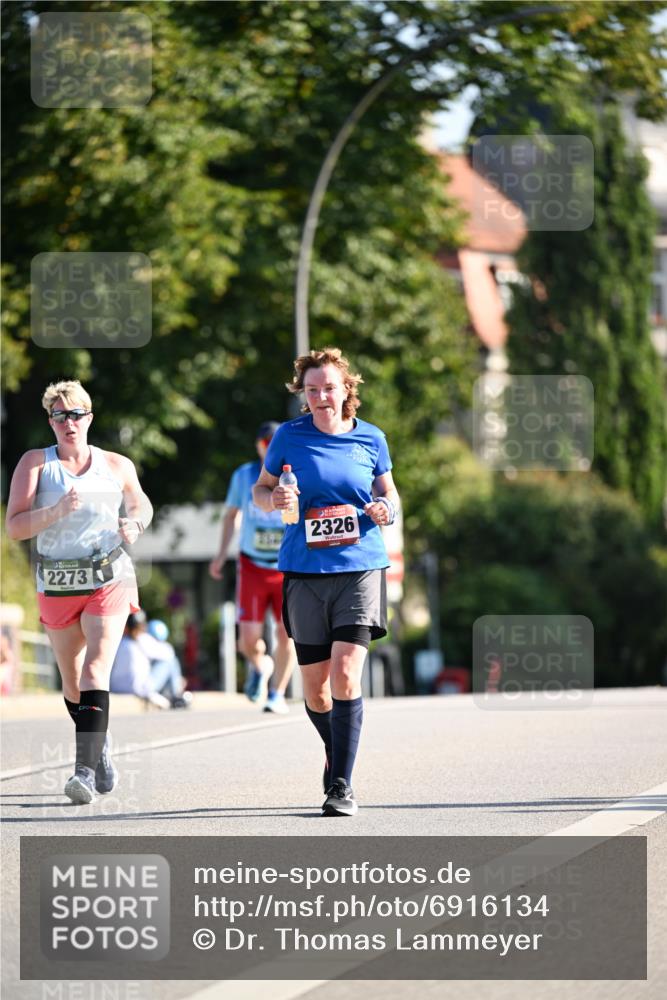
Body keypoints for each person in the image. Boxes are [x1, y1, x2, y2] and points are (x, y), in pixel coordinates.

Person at [253, 348, 399, 816]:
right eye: (312, 389)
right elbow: (260, 491)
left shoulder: (371, 438)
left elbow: (388, 495)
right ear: (303, 393)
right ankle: (338, 749)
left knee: (345, 673)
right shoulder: (288, 439)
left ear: (346, 390)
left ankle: (341, 784)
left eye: (329, 388)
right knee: (315, 691)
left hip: (360, 567)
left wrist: (384, 510)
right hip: (303, 571)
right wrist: (273, 497)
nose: (321, 397)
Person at [5, 379, 152, 805]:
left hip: (109, 577)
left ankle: (83, 772)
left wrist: (135, 524)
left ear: (89, 417)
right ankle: (99, 745)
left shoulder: (116, 464)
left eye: (76, 414)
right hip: (56, 582)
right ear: (50, 421)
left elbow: (141, 502)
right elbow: (14, 526)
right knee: (72, 684)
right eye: (60, 415)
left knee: (94, 672)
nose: (69, 423)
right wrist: (54, 511)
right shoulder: (35, 464)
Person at [209, 421, 295, 714]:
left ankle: (277, 694)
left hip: (287, 568)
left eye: (275, 442)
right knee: (247, 641)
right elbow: (231, 516)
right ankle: (261, 665)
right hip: (252, 566)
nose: (269, 448)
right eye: (264, 443)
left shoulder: (295, 473)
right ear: (258, 446)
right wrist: (221, 555)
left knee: (287, 634)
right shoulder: (244, 476)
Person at [110, 611, 190, 708]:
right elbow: (169, 654)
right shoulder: (143, 639)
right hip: (139, 688)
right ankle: (176, 695)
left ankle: (170, 693)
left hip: (115, 687)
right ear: (142, 626)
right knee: (170, 661)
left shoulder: (116, 641)